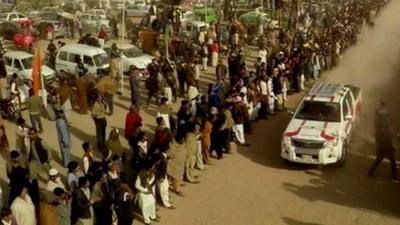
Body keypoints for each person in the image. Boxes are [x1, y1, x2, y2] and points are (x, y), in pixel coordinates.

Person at [368, 101, 398, 180]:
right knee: (392, 161)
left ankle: (370, 172)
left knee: (380, 159)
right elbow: (391, 123)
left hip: (382, 144)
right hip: (386, 145)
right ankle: (394, 176)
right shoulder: (387, 114)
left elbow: (376, 125)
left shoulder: (378, 113)